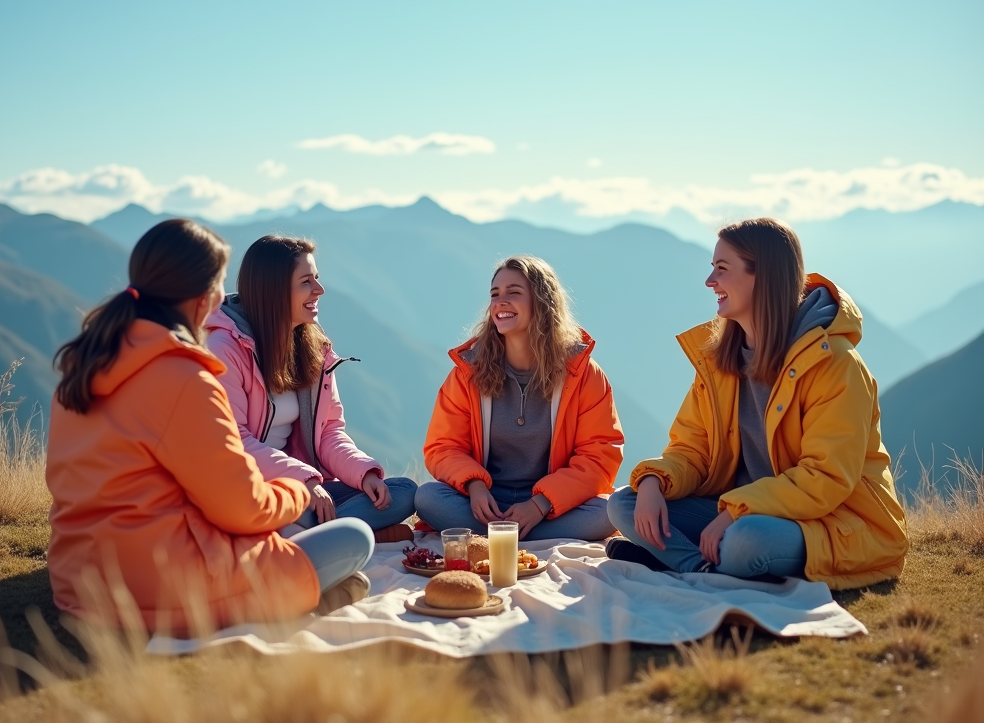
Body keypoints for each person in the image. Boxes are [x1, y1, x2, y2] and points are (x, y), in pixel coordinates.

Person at [47, 219, 374, 632]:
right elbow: (242, 508)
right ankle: (294, 597)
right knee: (355, 538)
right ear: (201, 296)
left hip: (77, 581)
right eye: (219, 283)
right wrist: (295, 491)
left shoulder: (86, 365)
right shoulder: (184, 378)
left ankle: (307, 592)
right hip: (159, 588)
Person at [606, 217, 908, 588]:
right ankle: (696, 567)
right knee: (623, 503)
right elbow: (692, 449)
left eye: (721, 269)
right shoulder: (720, 361)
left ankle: (672, 559)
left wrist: (735, 511)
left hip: (830, 523)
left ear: (762, 276)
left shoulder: (836, 365)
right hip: (738, 512)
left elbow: (825, 478)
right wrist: (654, 480)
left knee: (744, 543)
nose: (709, 281)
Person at [205, 234, 417, 543]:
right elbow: (235, 442)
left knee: (403, 492)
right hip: (249, 486)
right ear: (274, 290)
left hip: (301, 486)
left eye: (316, 278)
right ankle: (349, 530)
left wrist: (363, 473)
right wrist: (302, 479)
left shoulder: (313, 348)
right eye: (306, 282)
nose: (319, 290)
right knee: (291, 512)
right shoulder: (225, 348)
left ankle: (329, 531)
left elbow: (329, 431)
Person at [415, 255, 623, 541]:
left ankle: (502, 536)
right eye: (495, 294)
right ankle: (526, 535)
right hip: (488, 501)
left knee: (610, 509)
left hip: (551, 505)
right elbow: (443, 447)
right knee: (428, 497)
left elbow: (600, 454)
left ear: (542, 301)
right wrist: (474, 486)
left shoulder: (582, 374)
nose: (500, 302)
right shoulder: (468, 372)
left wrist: (540, 504)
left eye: (514, 293)